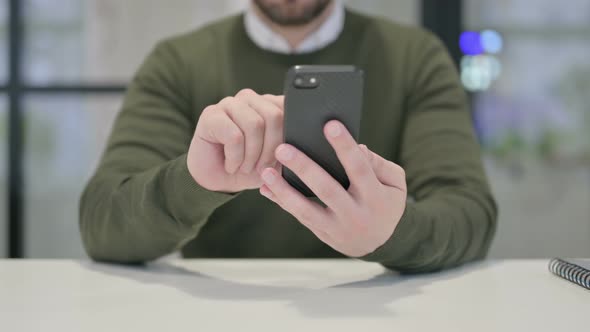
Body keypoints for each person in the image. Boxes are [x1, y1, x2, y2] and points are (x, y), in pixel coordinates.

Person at [79, 0, 497, 273]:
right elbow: (103, 223)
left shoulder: (414, 57)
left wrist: (394, 232)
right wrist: (193, 181)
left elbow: (469, 211)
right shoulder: (178, 62)